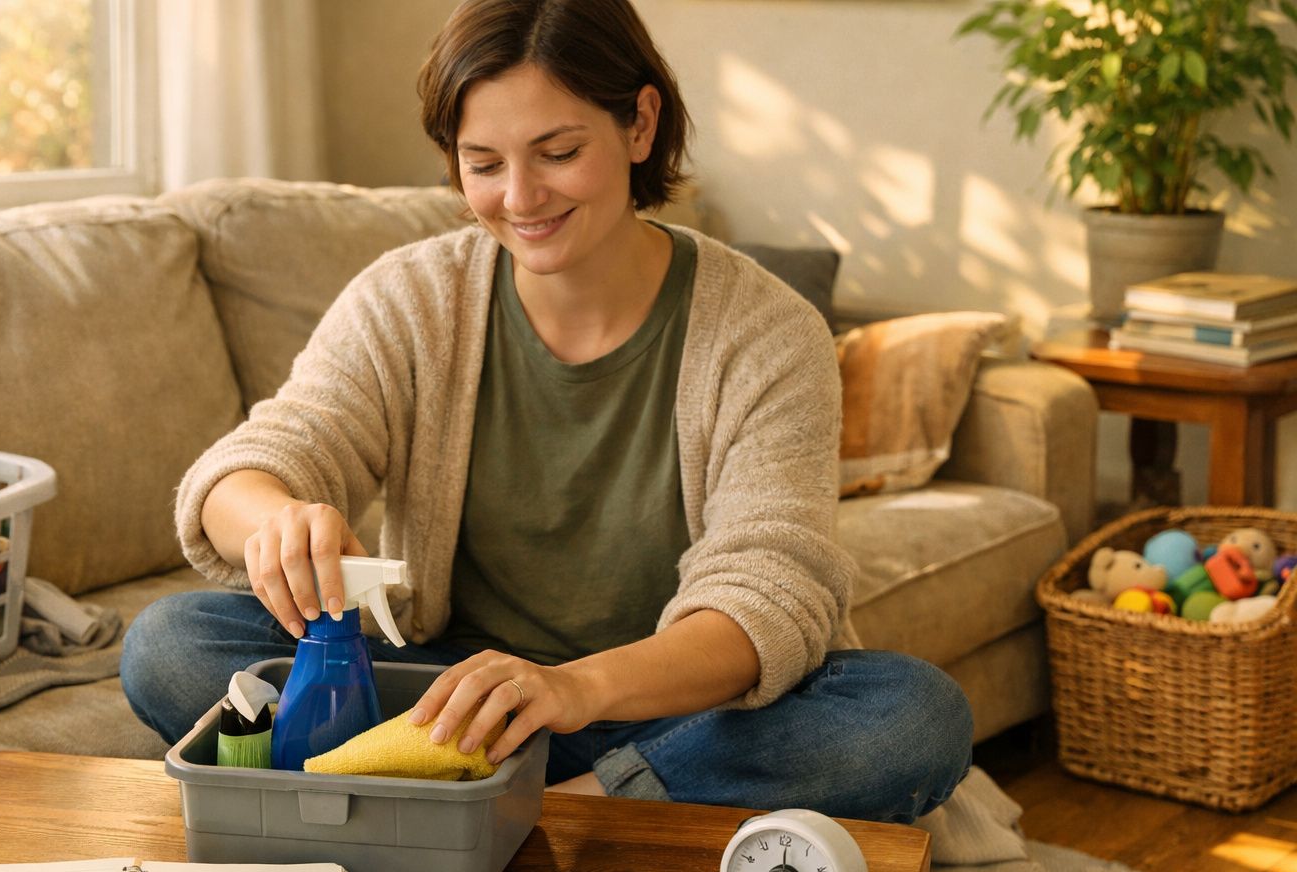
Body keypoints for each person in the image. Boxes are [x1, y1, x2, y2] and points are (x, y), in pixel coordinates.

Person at [121, 0, 972, 823]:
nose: (520, 198)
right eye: (483, 163)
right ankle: (503, 801)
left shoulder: (767, 332)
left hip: (664, 709)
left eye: (557, 151)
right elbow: (260, 459)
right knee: (171, 641)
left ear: (641, 125)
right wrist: (274, 518)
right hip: (451, 697)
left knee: (909, 715)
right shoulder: (411, 299)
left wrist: (575, 688)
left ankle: (521, 809)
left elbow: (768, 593)